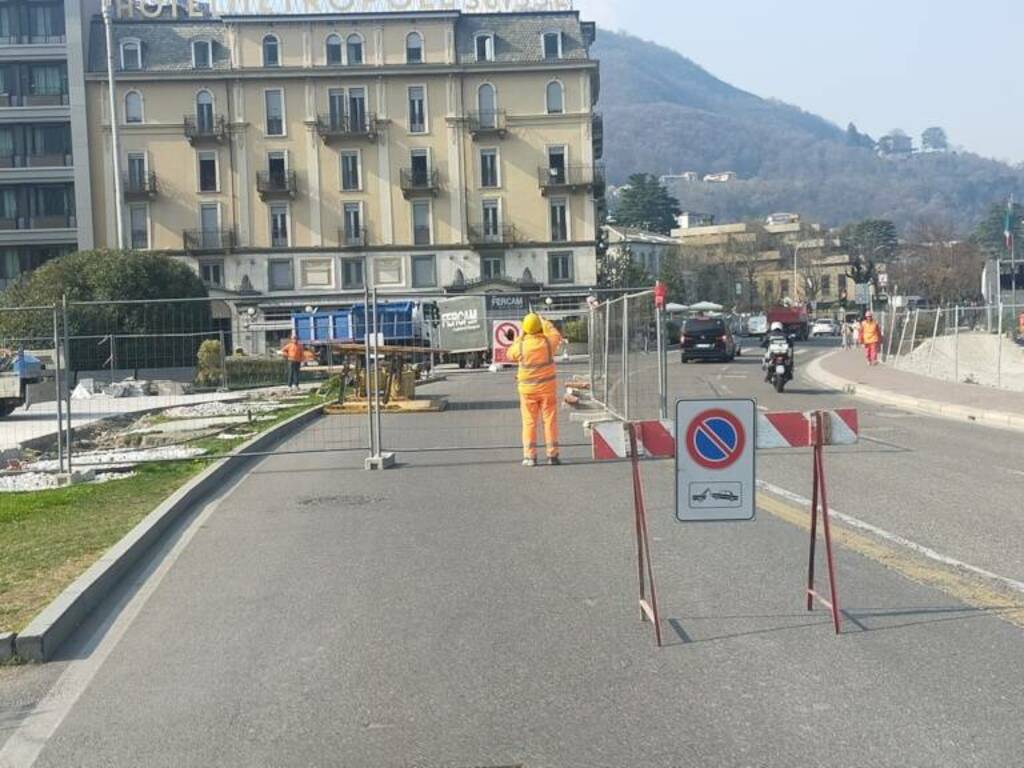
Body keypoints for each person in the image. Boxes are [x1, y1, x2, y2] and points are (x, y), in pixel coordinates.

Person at [507, 312, 563, 467]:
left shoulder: (520, 345)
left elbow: (510, 354)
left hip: (527, 391)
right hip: (547, 389)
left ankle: (530, 457)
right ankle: (553, 455)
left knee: (529, 422)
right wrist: (544, 322)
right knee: (550, 421)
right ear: (539, 327)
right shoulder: (547, 342)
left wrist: (521, 336)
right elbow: (556, 335)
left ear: (524, 328)